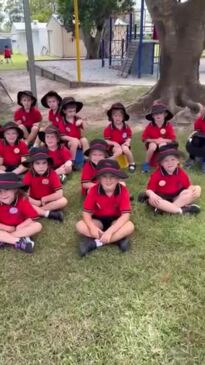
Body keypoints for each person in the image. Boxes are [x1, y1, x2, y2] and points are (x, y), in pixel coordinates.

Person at [76, 159, 134, 256]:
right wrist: (92, 227)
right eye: (104, 176)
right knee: (80, 225)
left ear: (118, 179)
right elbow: (86, 212)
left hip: (116, 220)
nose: (108, 180)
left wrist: (110, 231)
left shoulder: (123, 190)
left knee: (130, 226)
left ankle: (95, 243)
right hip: (98, 220)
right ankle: (118, 240)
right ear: (99, 178)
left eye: (112, 177)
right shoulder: (93, 190)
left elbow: (125, 215)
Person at [138, 143, 201, 215]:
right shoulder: (156, 175)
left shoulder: (180, 172)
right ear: (161, 163)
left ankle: (165, 210)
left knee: (189, 193)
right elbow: (149, 190)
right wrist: (152, 195)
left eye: (173, 159)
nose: (170, 163)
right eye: (166, 160)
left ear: (178, 161)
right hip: (162, 197)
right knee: (153, 200)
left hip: (176, 196)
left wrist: (197, 188)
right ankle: (181, 211)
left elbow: (188, 186)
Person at [0, 172, 42, 253]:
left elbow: (33, 217)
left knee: (38, 225)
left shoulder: (22, 200)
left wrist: (20, 226)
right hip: (4, 228)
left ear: (15, 189)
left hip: (21, 227)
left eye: (7, 189)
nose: (3, 194)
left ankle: (6, 240)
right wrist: (7, 228)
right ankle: (19, 242)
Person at [23, 147, 68, 222]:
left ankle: (38, 212)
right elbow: (24, 194)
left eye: (44, 163)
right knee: (23, 203)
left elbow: (59, 193)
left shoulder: (52, 173)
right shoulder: (28, 175)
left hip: (49, 200)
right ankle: (46, 212)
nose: (41, 166)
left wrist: (44, 199)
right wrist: (36, 202)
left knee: (63, 201)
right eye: (37, 163)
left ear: (48, 163)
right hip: (34, 201)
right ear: (32, 164)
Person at [141, 102, 176, 173]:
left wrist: (163, 140)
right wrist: (154, 140)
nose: (158, 115)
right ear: (153, 116)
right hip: (152, 143)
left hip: (164, 144)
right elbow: (144, 138)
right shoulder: (150, 126)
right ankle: (146, 164)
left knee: (162, 145)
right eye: (156, 114)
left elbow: (172, 139)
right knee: (152, 146)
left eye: (160, 113)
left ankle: (163, 163)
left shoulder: (168, 125)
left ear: (165, 115)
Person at [104, 102, 136, 172]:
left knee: (126, 150)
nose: (117, 118)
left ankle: (132, 164)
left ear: (123, 117)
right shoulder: (109, 128)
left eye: (119, 116)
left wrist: (127, 142)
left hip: (123, 144)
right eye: (115, 116)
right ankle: (110, 161)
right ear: (112, 117)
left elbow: (129, 136)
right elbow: (106, 141)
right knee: (118, 151)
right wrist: (114, 143)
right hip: (114, 146)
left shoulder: (126, 126)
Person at [58, 97, 89, 161]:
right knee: (74, 142)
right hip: (68, 143)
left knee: (84, 140)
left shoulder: (77, 118)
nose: (72, 113)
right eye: (70, 111)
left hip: (78, 139)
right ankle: (72, 161)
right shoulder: (62, 122)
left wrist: (82, 122)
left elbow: (85, 130)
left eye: (74, 111)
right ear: (64, 111)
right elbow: (62, 136)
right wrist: (73, 139)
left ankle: (86, 158)